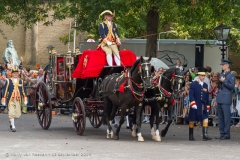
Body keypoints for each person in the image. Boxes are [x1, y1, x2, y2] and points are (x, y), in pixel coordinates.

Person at [188, 67, 212, 141]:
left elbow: (206, 95)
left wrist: (208, 105)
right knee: (192, 119)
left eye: (204, 76)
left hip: (203, 104)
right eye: (202, 76)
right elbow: (191, 94)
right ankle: (191, 135)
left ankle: (205, 135)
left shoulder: (205, 85)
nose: (203, 77)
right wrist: (192, 102)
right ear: (198, 76)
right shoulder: (193, 84)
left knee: (205, 118)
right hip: (195, 104)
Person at [1, 66, 27, 132]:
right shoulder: (8, 80)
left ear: (18, 74)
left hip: (18, 99)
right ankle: (13, 126)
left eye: (17, 73)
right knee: (11, 112)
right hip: (11, 99)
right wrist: (3, 98)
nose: (15, 74)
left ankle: (11, 121)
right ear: (12, 74)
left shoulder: (21, 81)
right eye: (14, 73)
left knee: (18, 115)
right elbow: (6, 90)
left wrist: (25, 97)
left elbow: (23, 90)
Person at [215, 59, 235, 140]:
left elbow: (232, 86)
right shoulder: (221, 74)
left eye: (223, 65)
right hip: (220, 97)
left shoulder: (231, 75)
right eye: (221, 65)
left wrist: (224, 81)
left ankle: (227, 134)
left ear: (227, 65)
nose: (222, 66)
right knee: (220, 117)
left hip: (226, 98)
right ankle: (222, 133)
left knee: (226, 117)